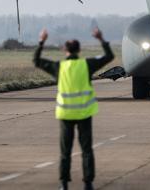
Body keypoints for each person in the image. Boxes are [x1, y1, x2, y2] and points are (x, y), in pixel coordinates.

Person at [34, 27, 114, 190]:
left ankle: (63, 183)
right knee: (86, 150)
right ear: (79, 50)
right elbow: (109, 57)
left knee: (65, 151)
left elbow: (37, 61)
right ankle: (88, 183)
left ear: (65, 50)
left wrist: (41, 42)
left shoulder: (59, 67)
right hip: (84, 113)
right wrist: (101, 39)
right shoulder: (87, 65)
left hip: (66, 114)